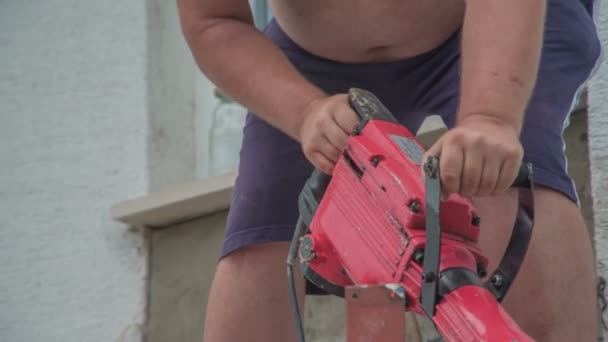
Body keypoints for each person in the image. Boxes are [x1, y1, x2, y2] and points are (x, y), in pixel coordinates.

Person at [176, 0, 602, 340]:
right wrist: (304, 111)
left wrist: (491, 117)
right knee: (258, 251)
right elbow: (214, 21)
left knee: (496, 178)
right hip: (311, 61)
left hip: (493, 20)